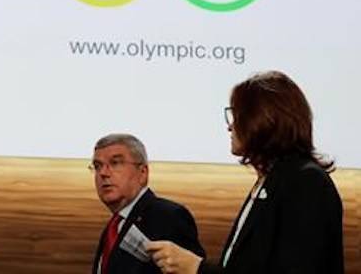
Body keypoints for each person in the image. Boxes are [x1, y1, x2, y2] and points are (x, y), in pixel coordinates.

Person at [146, 71, 344, 274]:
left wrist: (196, 268)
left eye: (236, 115)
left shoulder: (306, 182)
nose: (230, 126)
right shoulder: (271, 180)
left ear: (263, 119)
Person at [91, 133, 205, 274]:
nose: (103, 173)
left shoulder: (168, 217)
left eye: (115, 163)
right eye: (97, 166)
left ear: (143, 173)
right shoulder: (114, 226)